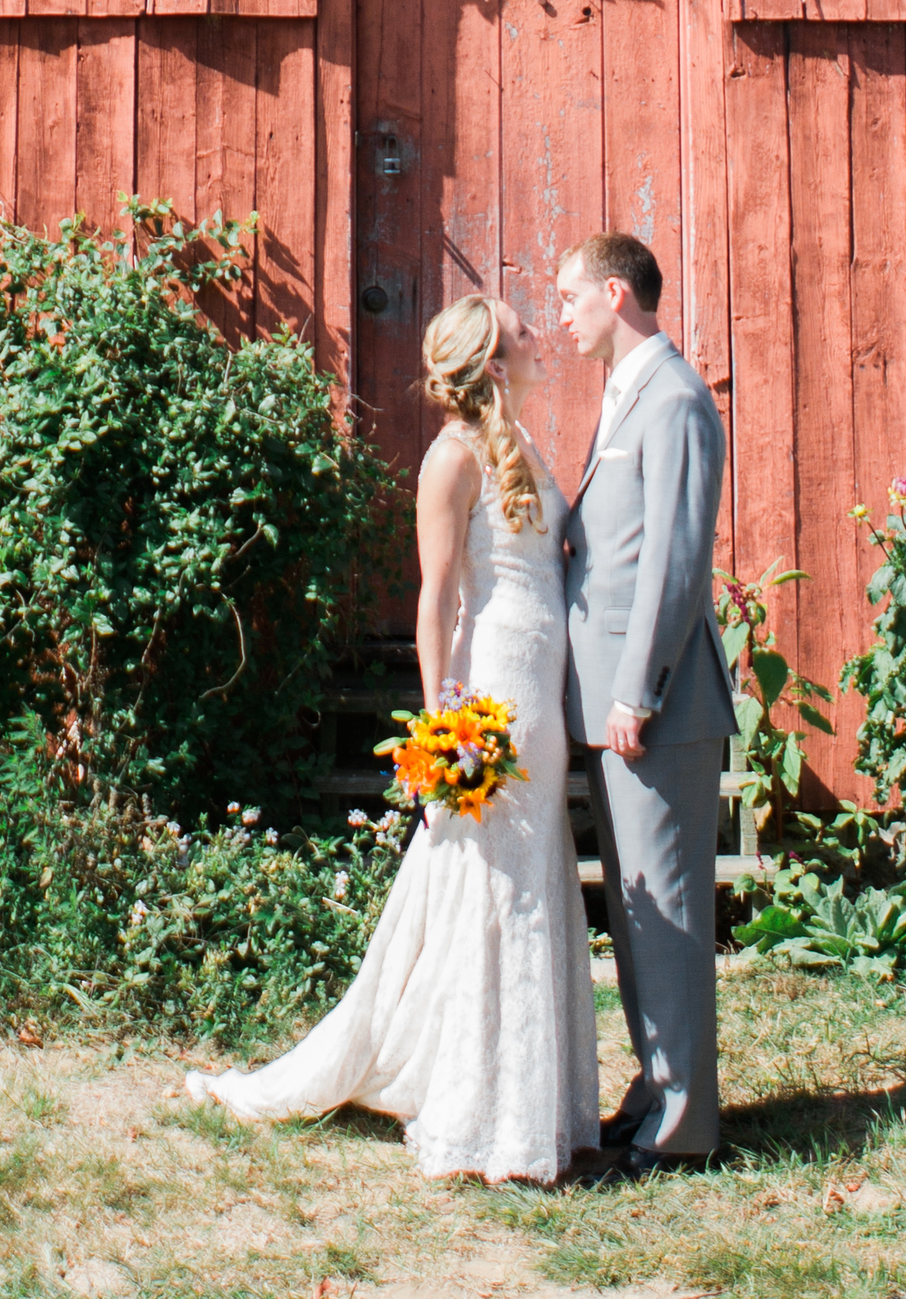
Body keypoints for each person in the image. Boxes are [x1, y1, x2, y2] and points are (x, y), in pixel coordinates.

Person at [186, 293, 599, 1184]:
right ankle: (480, 1113)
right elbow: (437, 598)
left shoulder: (523, 447)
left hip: (542, 685)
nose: (539, 341)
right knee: (492, 883)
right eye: (524, 334)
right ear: (493, 361)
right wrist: (445, 721)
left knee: (530, 877)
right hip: (493, 686)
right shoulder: (450, 460)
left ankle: (538, 1105)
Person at [554, 231, 734, 1172]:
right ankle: (657, 1087)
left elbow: (674, 559)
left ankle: (683, 1130)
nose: (563, 314)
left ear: (616, 295)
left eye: (572, 297)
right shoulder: (628, 394)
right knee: (636, 916)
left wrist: (635, 693)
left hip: (653, 710)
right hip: (617, 708)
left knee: (665, 911)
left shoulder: (674, 398)